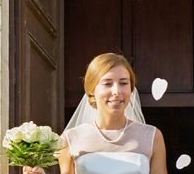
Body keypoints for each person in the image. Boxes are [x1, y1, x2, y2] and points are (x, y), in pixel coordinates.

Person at [24, 53, 167, 174]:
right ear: (92, 89)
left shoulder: (153, 137)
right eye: (107, 83)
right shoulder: (70, 139)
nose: (117, 91)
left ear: (131, 88)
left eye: (123, 83)